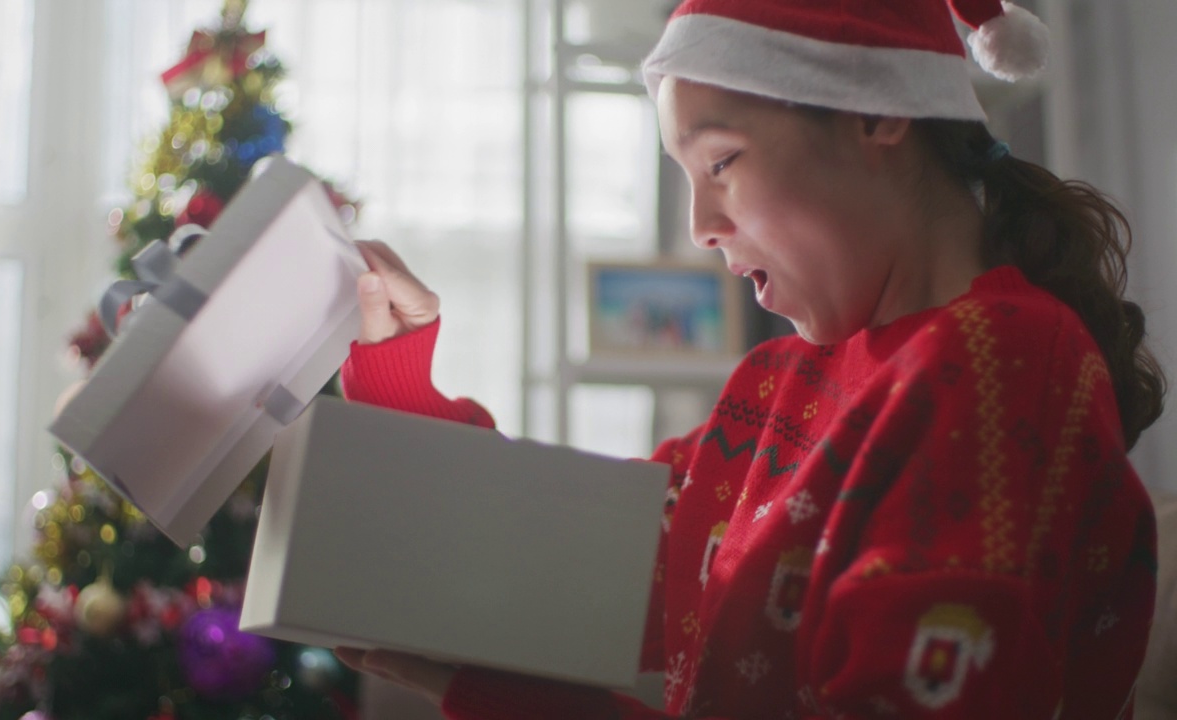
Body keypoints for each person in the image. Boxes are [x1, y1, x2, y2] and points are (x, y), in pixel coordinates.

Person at [332, 0, 1168, 717]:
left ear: (875, 111)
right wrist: (399, 375)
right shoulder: (779, 386)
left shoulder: (1002, 362)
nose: (699, 223)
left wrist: (525, 701)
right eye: (686, 176)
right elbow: (587, 549)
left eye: (722, 162)